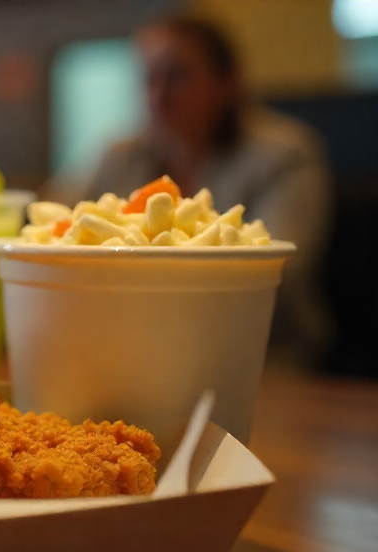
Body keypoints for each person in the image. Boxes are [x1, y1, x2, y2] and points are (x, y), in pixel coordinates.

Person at [82, 16, 333, 365]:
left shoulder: (285, 154)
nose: (158, 95)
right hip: (127, 350)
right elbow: (55, 225)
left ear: (226, 81)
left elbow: (279, 269)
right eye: (148, 78)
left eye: (177, 76)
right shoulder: (121, 156)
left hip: (263, 357)